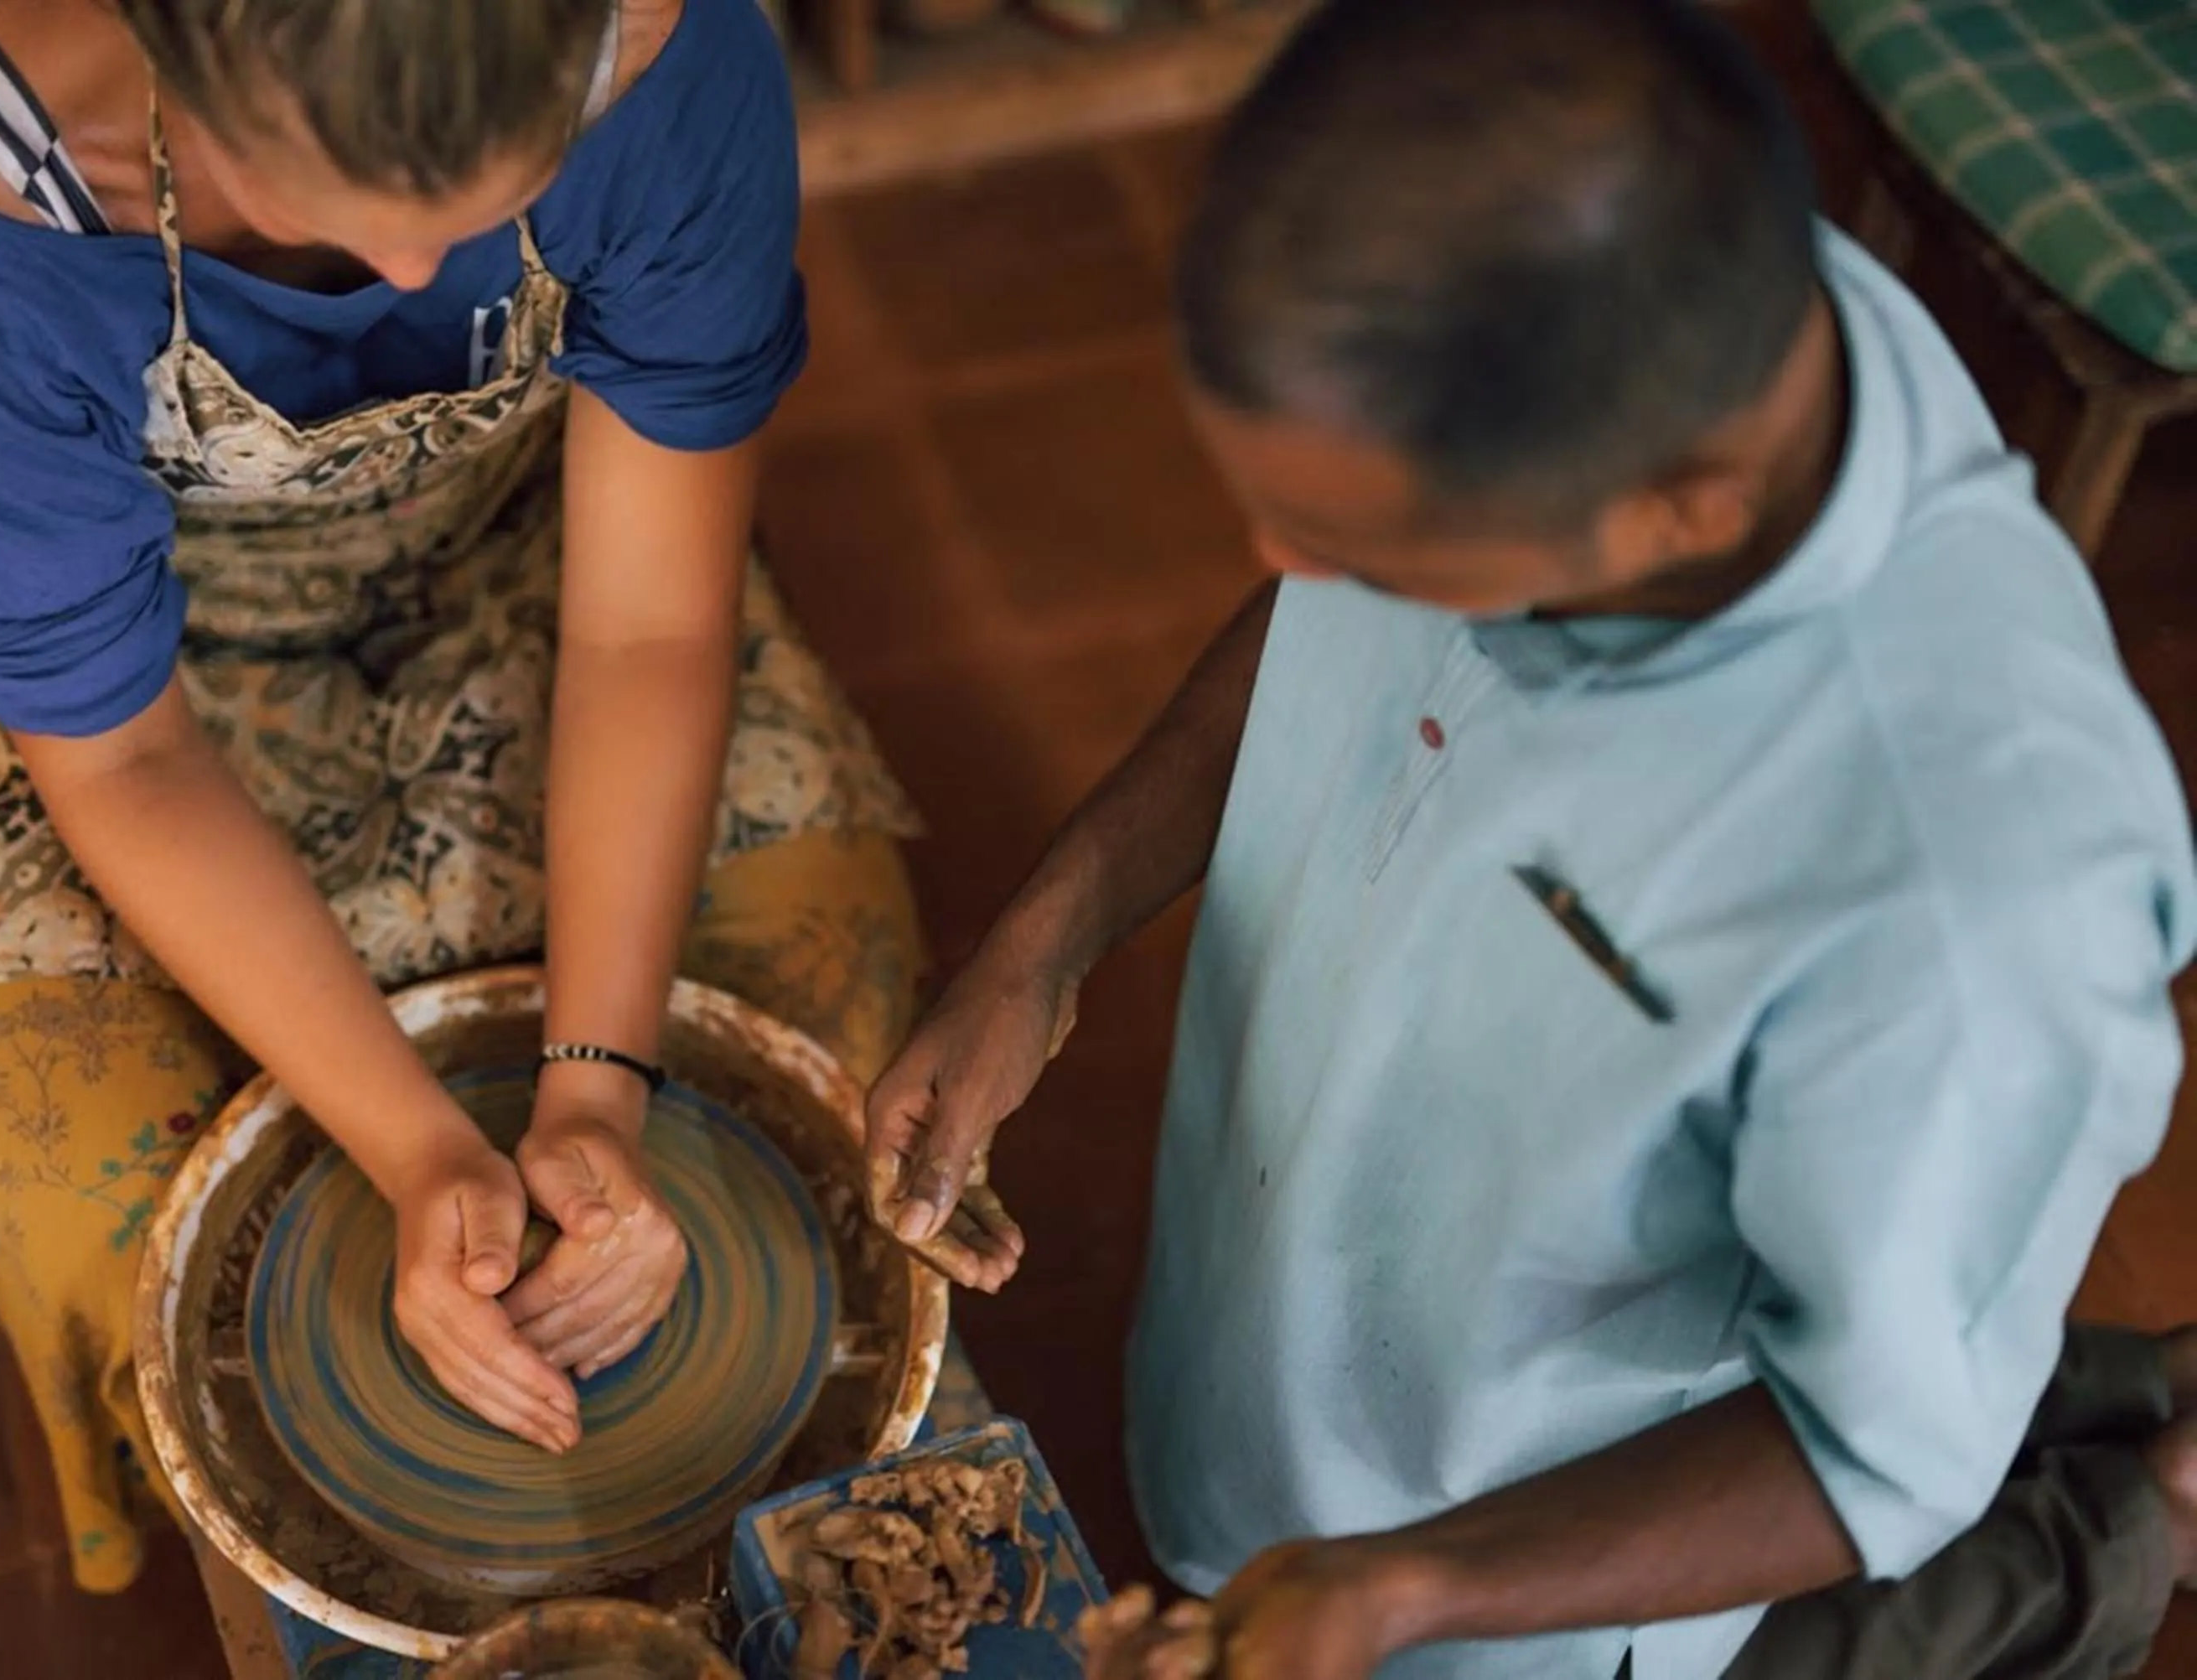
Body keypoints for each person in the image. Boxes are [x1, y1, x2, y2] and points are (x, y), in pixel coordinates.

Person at [861, 0, 2197, 1674]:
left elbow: (1870, 1449)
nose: (1279, 567)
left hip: (1538, 1575)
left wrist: (1412, 1589)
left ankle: (2152, 1511)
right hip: (1300, 1352)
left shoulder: (1971, 895)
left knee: (1929, 1390)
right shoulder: (1613, 310)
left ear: (1680, 514)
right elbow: (1317, 641)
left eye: (1364, 548)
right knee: (1931, 1259)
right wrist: (1043, 946)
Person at [0, 0, 925, 1592]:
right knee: (94, 1196)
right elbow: (122, 757)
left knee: (822, 1010)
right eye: (342, 200)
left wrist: (599, 1086)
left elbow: (648, 628)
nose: (410, 270)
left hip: (515, 518)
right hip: (82, 651)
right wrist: (415, 1150)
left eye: (480, 196)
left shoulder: (665, 51)